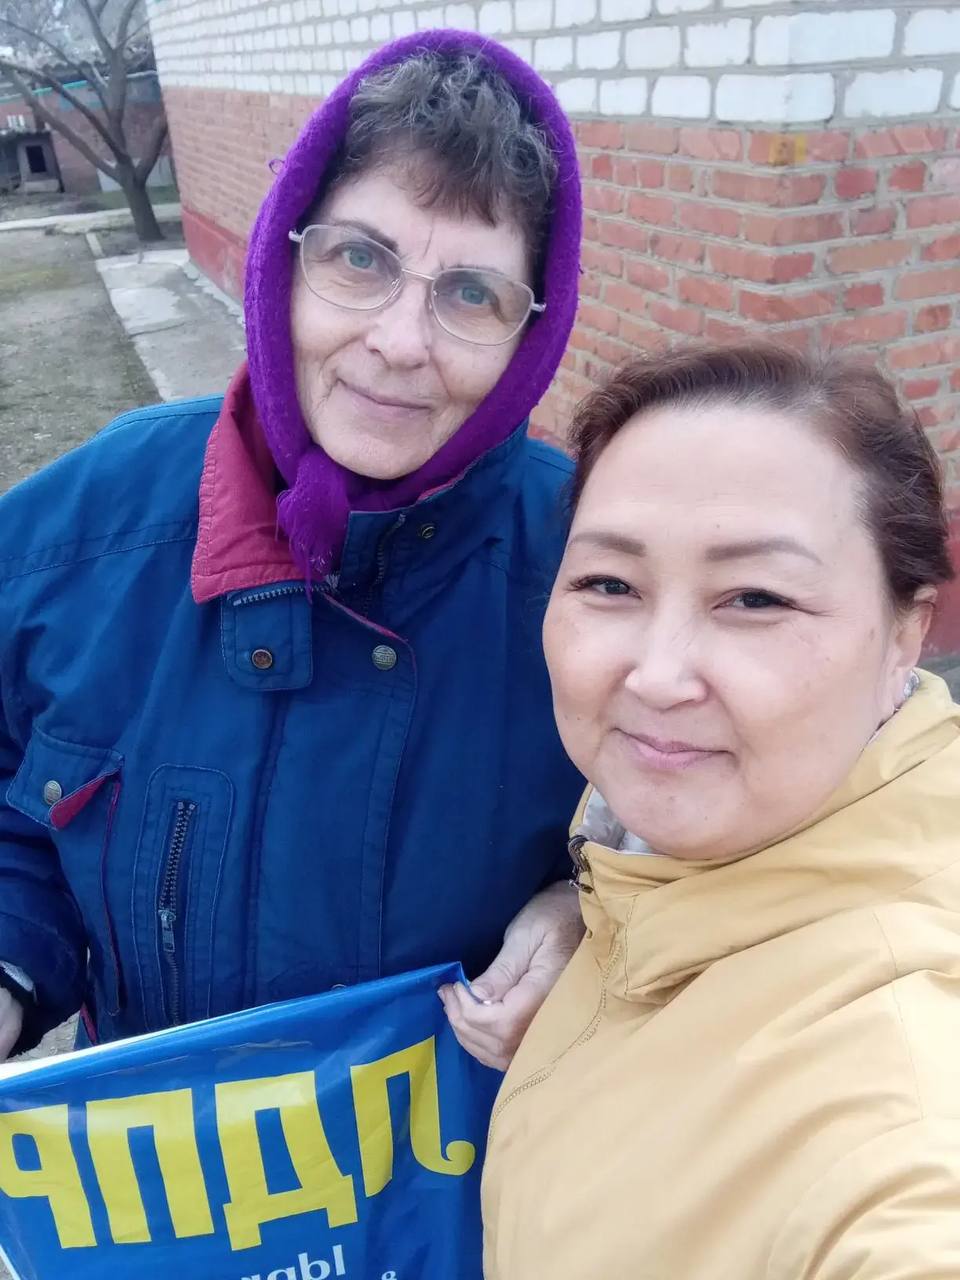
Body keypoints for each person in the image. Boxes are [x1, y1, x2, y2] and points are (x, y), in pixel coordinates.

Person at [0, 29, 586, 1062]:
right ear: (286, 260)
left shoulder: (594, 569)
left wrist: (599, 908)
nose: (401, 342)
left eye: (471, 293)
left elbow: (716, 830)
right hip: (161, 1152)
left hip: (466, 1163)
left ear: (530, 336)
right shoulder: (81, 533)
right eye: (360, 258)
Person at [482, 342, 960, 1279]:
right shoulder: (651, 863)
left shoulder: (900, 1105)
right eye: (609, 584)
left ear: (906, 633)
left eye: (755, 598)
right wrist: (584, 906)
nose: (657, 676)